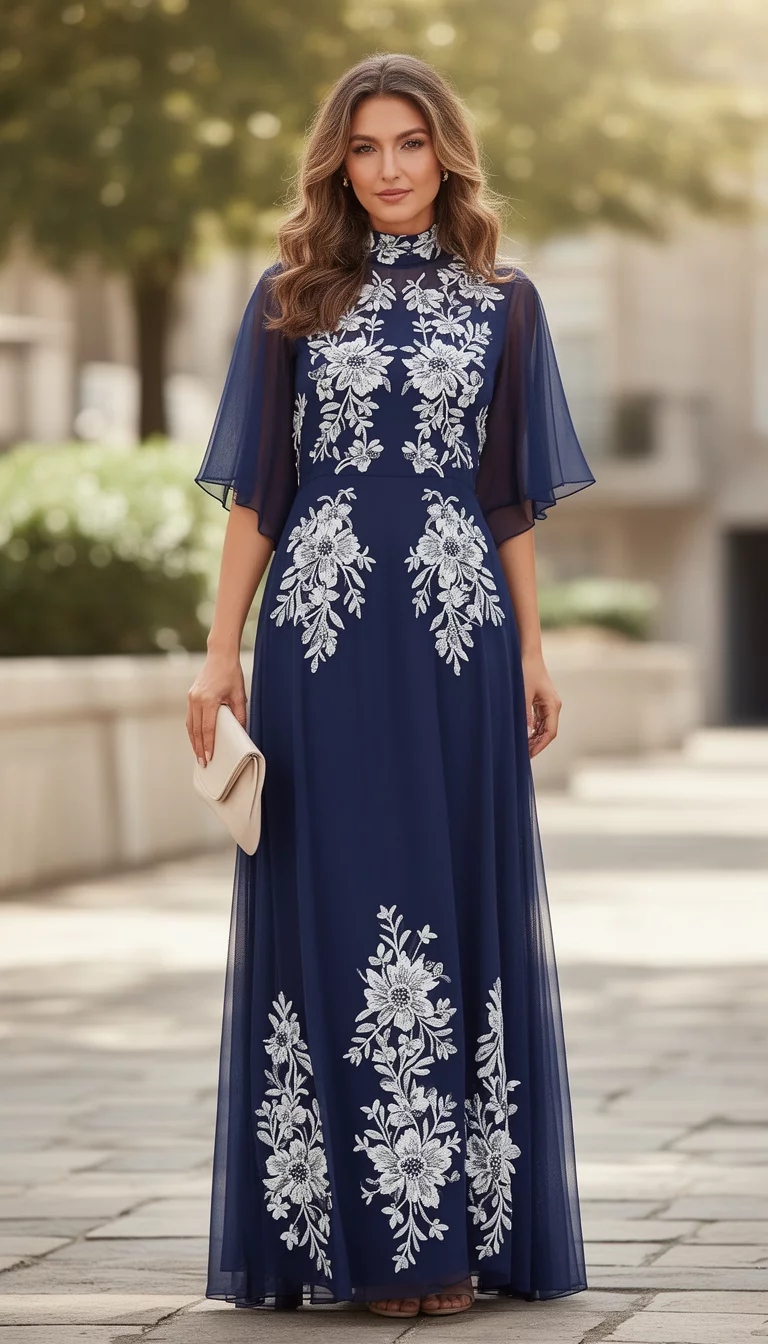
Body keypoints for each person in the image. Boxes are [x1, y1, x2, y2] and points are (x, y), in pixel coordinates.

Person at [187, 51, 595, 1320]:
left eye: (409, 144)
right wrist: (219, 650)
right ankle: (361, 1248)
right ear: (338, 165)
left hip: (458, 632)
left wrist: (532, 646)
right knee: (339, 893)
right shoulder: (289, 295)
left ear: (446, 153)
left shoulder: (502, 300)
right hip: (321, 636)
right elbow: (260, 488)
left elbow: (508, 496)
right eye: (364, 149)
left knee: (454, 891)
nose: (390, 169)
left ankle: (453, 1240)